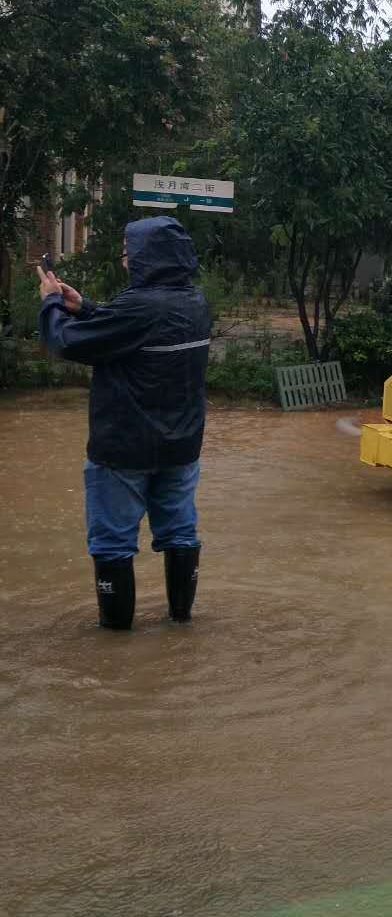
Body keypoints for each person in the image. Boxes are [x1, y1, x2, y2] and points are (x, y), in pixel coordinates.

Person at [37, 217, 210, 630]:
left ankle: (116, 646)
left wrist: (50, 303)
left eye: (129, 251)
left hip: (123, 450)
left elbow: (66, 343)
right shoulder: (195, 302)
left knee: (112, 543)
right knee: (181, 534)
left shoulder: (138, 307)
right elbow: (135, 334)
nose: (125, 259)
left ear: (148, 258)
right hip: (181, 448)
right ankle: (181, 623)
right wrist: (90, 309)